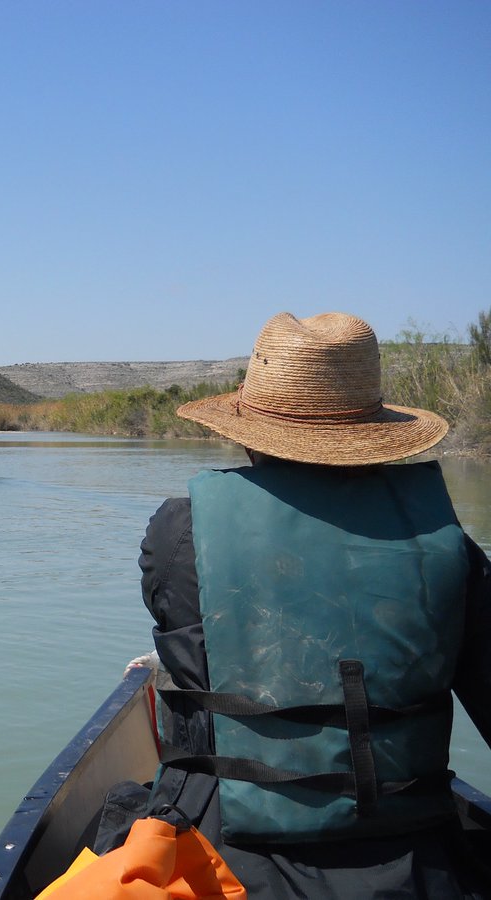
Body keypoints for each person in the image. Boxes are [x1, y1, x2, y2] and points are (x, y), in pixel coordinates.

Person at [125, 311, 491, 898]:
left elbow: (187, 652)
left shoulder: (180, 533)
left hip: (229, 859)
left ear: (247, 432)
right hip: (417, 861)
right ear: (374, 435)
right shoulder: (450, 548)